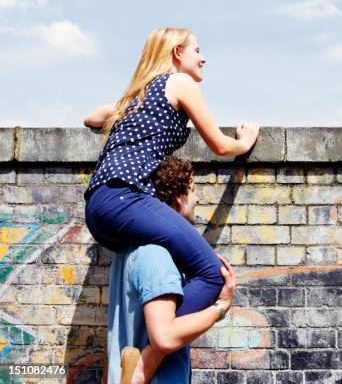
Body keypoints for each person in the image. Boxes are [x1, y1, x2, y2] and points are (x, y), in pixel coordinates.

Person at [83, 27, 258, 380]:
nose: (203, 57)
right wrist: (245, 141)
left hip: (99, 205)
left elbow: (91, 118)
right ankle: (153, 349)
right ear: (177, 53)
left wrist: (121, 114)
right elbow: (221, 147)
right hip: (126, 196)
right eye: (197, 50)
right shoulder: (179, 84)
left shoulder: (135, 96)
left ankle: (155, 336)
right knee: (212, 272)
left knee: (154, 262)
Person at [107, 156, 236, 384]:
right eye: (193, 190)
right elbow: (164, 338)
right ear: (178, 197)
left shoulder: (129, 252)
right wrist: (221, 307)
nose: (198, 199)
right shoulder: (157, 256)